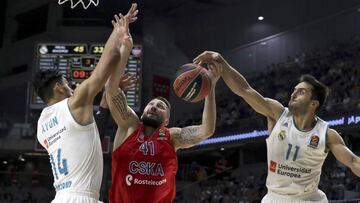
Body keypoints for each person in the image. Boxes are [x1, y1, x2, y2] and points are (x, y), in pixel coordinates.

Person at [193, 51, 360, 203]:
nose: (293, 93)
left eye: (301, 92)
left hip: (309, 200)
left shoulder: (326, 134)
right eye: (295, 90)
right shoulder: (277, 113)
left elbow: (353, 161)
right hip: (275, 198)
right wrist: (222, 63)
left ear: (313, 104)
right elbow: (244, 89)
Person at [105, 15, 222, 203]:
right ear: (142, 112)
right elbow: (111, 91)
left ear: (166, 120)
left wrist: (210, 88)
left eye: (160, 107)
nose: (153, 107)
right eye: (151, 104)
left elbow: (207, 130)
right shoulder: (129, 126)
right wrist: (125, 50)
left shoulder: (172, 136)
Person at [32, 4, 138, 203]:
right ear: (58, 86)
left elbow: (89, 133)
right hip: (82, 198)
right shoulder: (74, 104)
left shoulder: (42, 126)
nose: (71, 87)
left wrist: (111, 92)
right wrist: (119, 32)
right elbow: (105, 64)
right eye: (66, 82)